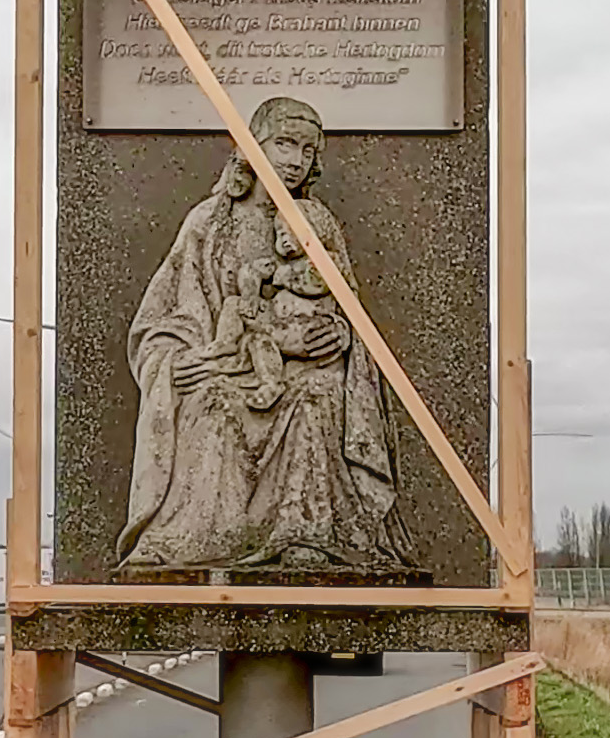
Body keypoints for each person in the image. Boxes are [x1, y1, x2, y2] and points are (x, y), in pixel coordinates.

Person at [117, 97, 411, 576]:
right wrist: (172, 358)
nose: (296, 160)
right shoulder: (209, 224)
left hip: (301, 369)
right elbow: (163, 315)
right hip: (228, 363)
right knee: (210, 399)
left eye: (308, 150)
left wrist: (340, 334)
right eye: (284, 144)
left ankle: (304, 535)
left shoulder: (316, 223)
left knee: (317, 394)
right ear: (251, 146)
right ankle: (193, 539)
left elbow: (346, 306)